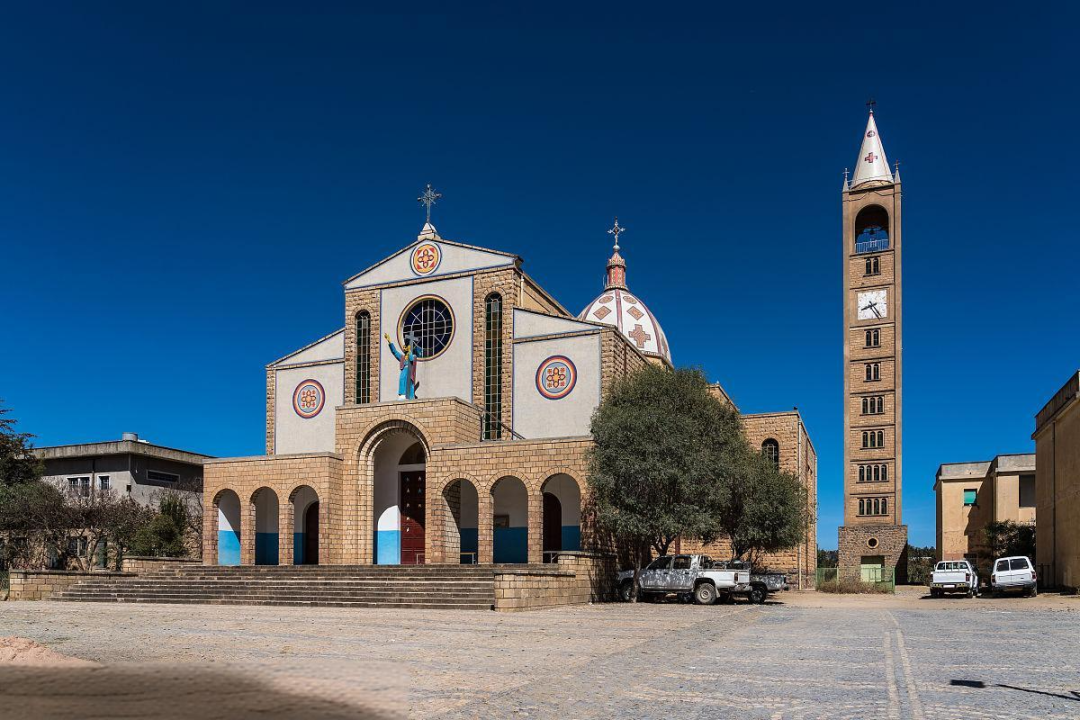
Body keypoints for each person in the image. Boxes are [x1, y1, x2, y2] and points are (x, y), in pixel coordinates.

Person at [385, 332, 422, 400]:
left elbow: (411, 360)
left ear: (408, 347)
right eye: (404, 347)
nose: (404, 348)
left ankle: (410, 396)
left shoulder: (413, 356)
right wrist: (389, 342)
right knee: (402, 380)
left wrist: (409, 352)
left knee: (409, 383)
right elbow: (395, 352)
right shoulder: (402, 357)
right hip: (403, 371)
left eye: (405, 347)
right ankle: (402, 394)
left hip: (409, 371)